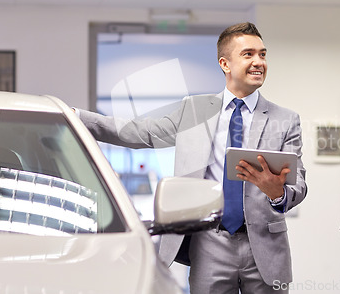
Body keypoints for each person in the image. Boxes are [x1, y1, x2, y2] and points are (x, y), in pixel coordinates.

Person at [76, 22, 307, 294]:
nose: (259, 62)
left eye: (263, 54)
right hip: (210, 244)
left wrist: (277, 193)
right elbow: (141, 133)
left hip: (266, 247)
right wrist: (74, 117)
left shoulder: (286, 119)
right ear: (225, 63)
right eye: (248, 54)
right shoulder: (194, 110)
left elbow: (299, 185)